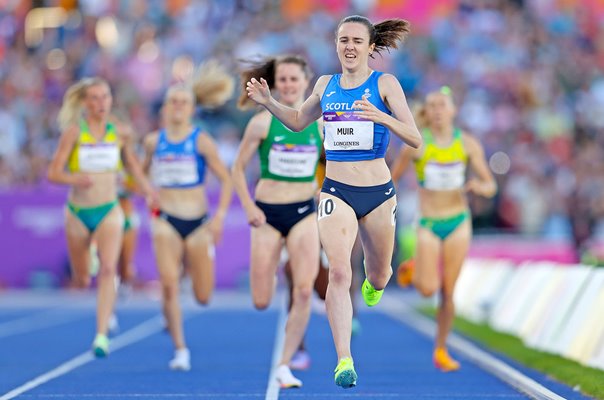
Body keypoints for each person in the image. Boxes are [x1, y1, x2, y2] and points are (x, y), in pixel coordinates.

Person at [245, 15, 422, 388]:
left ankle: (377, 280)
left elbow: (415, 138)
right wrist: (267, 102)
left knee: (378, 273)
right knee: (339, 272)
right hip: (336, 191)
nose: (350, 47)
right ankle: (344, 359)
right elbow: (297, 121)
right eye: (344, 40)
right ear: (337, 44)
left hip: (378, 193)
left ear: (371, 47)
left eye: (357, 41)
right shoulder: (326, 85)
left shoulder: (385, 84)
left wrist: (382, 118)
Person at [47, 77, 157, 357]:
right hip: (78, 213)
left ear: (111, 100)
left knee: (110, 269)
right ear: (84, 102)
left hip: (109, 208)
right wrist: (74, 178)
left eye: (105, 97)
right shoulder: (73, 133)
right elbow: (53, 173)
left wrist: (148, 191)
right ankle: (88, 260)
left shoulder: (119, 133)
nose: (100, 103)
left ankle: (101, 335)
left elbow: (132, 165)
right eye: (94, 98)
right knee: (83, 279)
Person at [390, 87, 497, 371]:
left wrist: (479, 186)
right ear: (427, 112)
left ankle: (441, 348)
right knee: (427, 290)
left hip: (458, 222)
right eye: (432, 105)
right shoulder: (417, 144)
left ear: (453, 110)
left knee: (448, 292)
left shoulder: (467, 144)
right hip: (428, 222)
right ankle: (414, 270)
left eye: (442, 105)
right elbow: (392, 180)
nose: (437, 110)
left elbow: (490, 184)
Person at [232, 55, 322, 388]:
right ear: (274, 83)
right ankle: (279, 265)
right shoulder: (260, 123)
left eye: (293, 79)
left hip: (303, 213)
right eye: (281, 79)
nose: (287, 85)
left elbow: (340, 163)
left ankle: (284, 364)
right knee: (261, 300)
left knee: (302, 291)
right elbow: (237, 169)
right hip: (267, 214)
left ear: (305, 82)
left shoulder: (322, 123)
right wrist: (249, 207)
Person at [142, 61, 234, 371]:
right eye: (172, 102)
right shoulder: (153, 142)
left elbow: (227, 178)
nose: (177, 106)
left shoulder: (201, 141)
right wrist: (145, 191)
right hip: (165, 219)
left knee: (203, 296)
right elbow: (137, 177)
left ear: (192, 108)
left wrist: (219, 217)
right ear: (165, 108)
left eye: (183, 102)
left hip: (197, 224)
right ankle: (180, 349)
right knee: (167, 285)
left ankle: (186, 276)